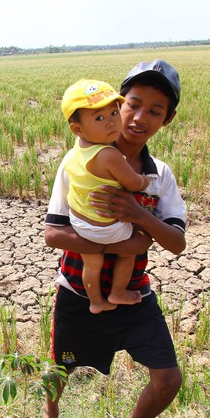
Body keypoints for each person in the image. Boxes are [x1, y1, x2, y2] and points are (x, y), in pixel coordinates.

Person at [34, 60, 187, 418]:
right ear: (116, 105)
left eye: (155, 111)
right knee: (60, 369)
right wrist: (120, 246)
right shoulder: (78, 165)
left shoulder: (160, 176)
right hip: (77, 293)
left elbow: (176, 243)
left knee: (168, 377)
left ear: (166, 120)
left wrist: (137, 213)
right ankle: (51, 416)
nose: (139, 118)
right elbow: (53, 234)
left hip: (134, 296)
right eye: (132, 105)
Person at [60, 79, 152, 314]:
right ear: (77, 129)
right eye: (99, 118)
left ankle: (96, 302)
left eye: (114, 111)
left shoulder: (76, 151)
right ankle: (117, 292)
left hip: (81, 223)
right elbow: (132, 183)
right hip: (105, 228)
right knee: (129, 251)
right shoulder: (109, 154)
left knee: (92, 263)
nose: (111, 121)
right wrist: (144, 180)